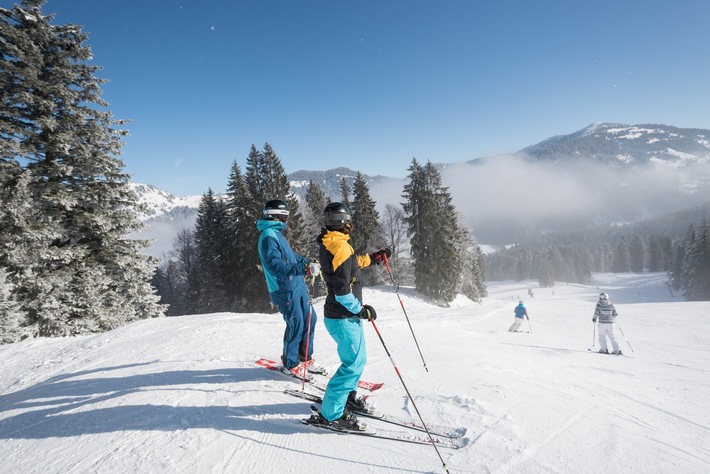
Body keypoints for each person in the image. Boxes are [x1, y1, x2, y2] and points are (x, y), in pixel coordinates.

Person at [309, 202, 391, 431]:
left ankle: (347, 397)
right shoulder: (340, 247)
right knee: (352, 364)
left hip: (343, 315)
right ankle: (331, 413)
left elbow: (352, 264)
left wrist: (375, 258)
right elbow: (342, 291)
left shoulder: (334, 243)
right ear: (345, 222)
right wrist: (360, 310)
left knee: (358, 360)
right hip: (343, 316)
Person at [256, 199, 325, 376]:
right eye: (286, 214)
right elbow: (275, 266)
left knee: (310, 319)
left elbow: (291, 256)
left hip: (297, 285)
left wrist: (307, 263)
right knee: (296, 323)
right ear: (278, 214)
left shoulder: (276, 233)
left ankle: (305, 358)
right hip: (284, 287)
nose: (288, 218)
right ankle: (291, 363)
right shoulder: (267, 236)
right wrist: (302, 269)